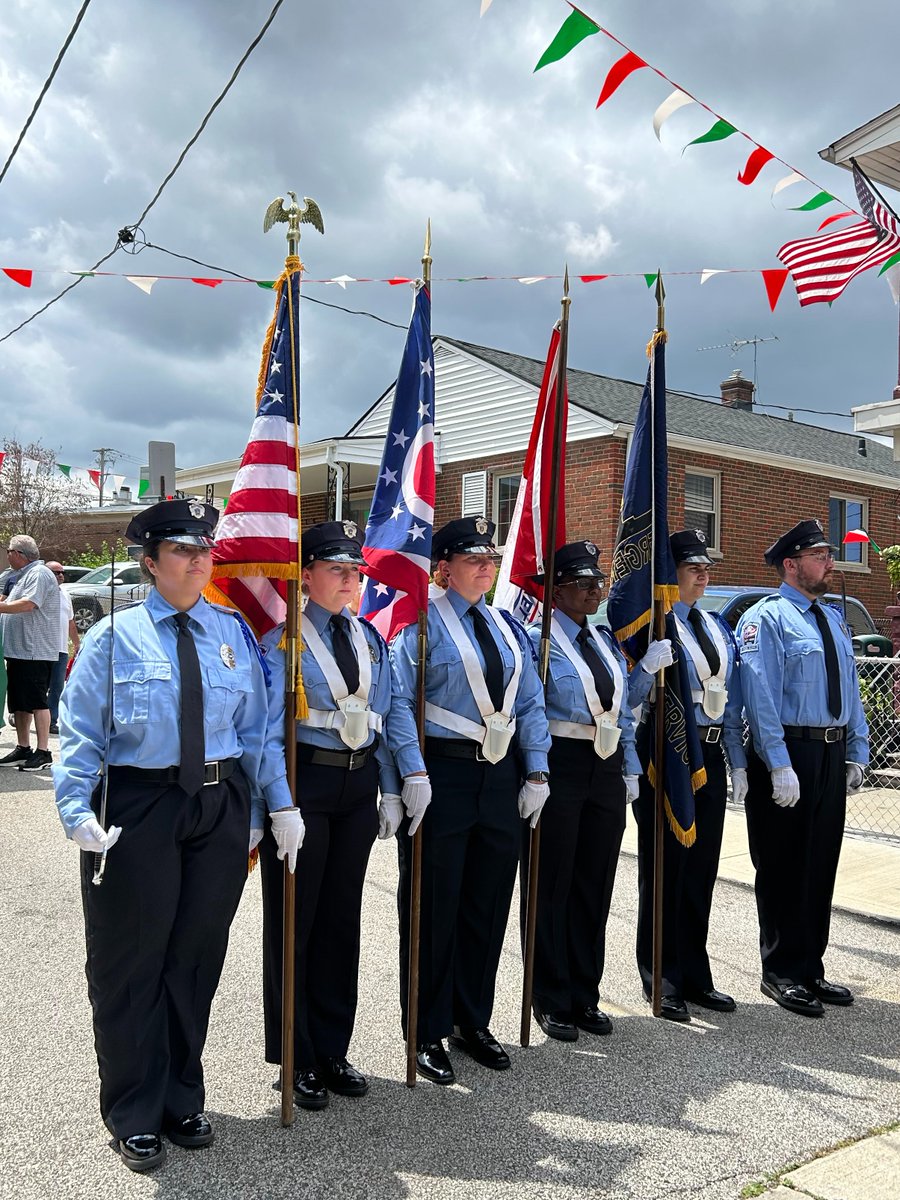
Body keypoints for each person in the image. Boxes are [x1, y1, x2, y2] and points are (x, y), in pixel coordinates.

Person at [52, 499, 302, 1173]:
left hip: (218, 805)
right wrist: (75, 808)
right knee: (131, 960)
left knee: (195, 958)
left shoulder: (232, 632)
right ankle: (133, 1110)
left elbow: (257, 731)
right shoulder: (114, 637)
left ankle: (181, 1095)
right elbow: (80, 732)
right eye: (182, 551)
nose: (197, 561)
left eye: (203, 550)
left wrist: (278, 804)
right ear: (150, 562)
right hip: (141, 803)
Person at [258, 520, 424, 1109]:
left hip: (357, 787)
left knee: (340, 921)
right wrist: (278, 803)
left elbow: (388, 713)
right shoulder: (284, 640)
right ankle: (296, 1053)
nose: (350, 580)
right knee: (295, 921)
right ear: (306, 576)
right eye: (336, 569)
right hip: (305, 782)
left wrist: (399, 784)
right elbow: (265, 731)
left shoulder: (369, 638)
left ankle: (332, 1047)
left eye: (355, 571)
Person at [389, 516, 551, 1085]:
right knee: (434, 906)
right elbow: (401, 704)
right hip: (443, 774)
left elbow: (530, 700)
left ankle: (471, 1019)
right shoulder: (420, 624)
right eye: (473, 559)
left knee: (487, 902)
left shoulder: (507, 626)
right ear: (444, 568)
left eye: (490, 559)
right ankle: (426, 1028)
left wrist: (537, 769)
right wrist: (411, 771)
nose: (486, 568)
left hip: (500, 776)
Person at [737, 519, 868, 1018]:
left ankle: (811, 966)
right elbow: (761, 696)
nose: (829, 563)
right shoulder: (767, 618)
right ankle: (781, 971)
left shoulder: (831, 619)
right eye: (819, 556)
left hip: (830, 753)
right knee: (783, 863)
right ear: (791, 565)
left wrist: (857, 750)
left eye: (828, 554)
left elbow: (851, 689)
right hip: (789, 751)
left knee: (819, 862)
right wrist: (777, 763)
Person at [523, 540, 644, 1042]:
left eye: (598, 582)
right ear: (555, 591)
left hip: (606, 765)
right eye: (583, 583)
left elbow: (622, 711)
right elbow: (530, 708)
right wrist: (535, 772)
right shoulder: (537, 640)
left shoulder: (604, 642)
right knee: (552, 883)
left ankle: (584, 991)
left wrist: (629, 766)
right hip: (562, 761)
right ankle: (550, 996)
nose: (595, 591)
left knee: (595, 882)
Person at [630, 530, 746, 1021]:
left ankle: (696, 973)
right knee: (665, 869)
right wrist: (645, 667)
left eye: (706, 568)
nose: (703, 575)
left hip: (711, 754)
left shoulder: (716, 625)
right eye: (693, 568)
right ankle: (662, 975)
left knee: (701, 870)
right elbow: (630, 696)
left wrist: (737, 762)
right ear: (669, 574)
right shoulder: (654, 626)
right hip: (669, 750)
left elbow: (731, 700)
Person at [0, 534, 61, 770]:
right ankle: (23, 747)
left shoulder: (39, 573)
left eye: (9, 551)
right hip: (18, 651)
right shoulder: (21, 575)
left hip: (34, 651)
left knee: (37, 702)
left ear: (19, 554)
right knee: (19, 704)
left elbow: (29, 604)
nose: (7, 555)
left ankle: (43, 752)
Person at [45, 560, 79, 734]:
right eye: (56, 572)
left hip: (61, 649)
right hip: (41, 648)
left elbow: (70, 621)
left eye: (62, 572)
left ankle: (51, 720)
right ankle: (22, 713)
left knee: (57, 686)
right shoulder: (40, 592)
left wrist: (77, 642)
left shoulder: (65, 594)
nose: (60, 575)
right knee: (39, 686)